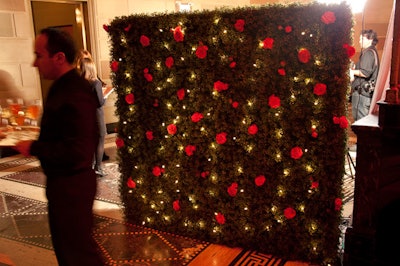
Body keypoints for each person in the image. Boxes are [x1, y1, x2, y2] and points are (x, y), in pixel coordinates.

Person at [13, 27, 104, 265]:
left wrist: (35, 147)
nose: (34, 63)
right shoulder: (61, 87)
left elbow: (78, 151)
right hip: (63, 185)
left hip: (72, 188)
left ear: (59, 58)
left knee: (79, 255)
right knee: (69, 251)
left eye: (39, 55)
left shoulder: (75, 92)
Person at [75, 49, 110, 161]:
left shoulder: (80, 81)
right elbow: (100, 102)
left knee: (92, 140)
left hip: (85, 114)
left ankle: (92, 164)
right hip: (95, 114)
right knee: (99, 139)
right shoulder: (94, 82)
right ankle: (98, 166)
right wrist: (105, 96)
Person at [350, 29, 380, 121]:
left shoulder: (368, 53)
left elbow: (365, 72)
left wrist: (351, 71)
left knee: (361, 124)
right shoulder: (372, 52)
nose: (359, 41)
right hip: (364, 95)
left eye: (362, 38)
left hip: (362, 95)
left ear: (370, 39)